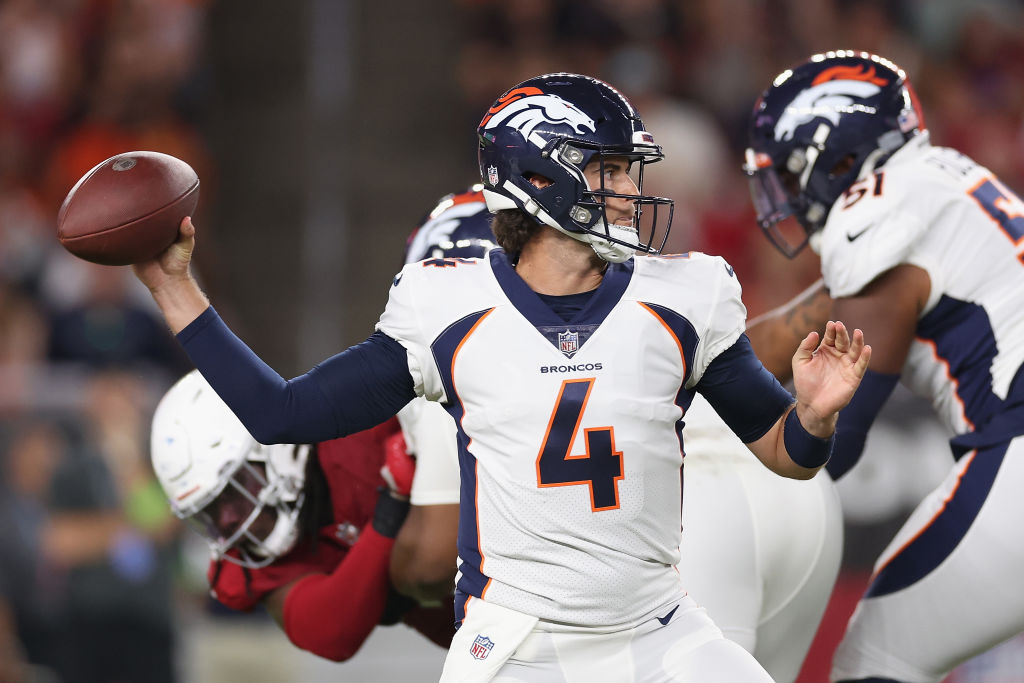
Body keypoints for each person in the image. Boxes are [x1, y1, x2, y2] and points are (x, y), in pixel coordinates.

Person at [130, 73, 870, 682]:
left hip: (659, 626)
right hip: (520, 644)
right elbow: (280, 413)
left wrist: (814, 415)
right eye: (606, 168)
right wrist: (173, 287)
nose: (627, 187)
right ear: (539, 180)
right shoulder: (447, 303)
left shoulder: (685, 292)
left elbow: (787, 455)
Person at [394, 184, 843, 682]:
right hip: (797, 500)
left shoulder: (457, 333)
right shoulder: (656, 300)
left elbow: (431, 560)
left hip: (677, 522)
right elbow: (760, 350)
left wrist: (380, 541)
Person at [742, 50, 1024, 682]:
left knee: (878, 659)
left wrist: (737, 487)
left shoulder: (875, 211)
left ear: (837, 158)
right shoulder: (932, 183)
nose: (785, 195)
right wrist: (683, 361)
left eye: (790, 174)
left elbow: (840, 430)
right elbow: (791, 327)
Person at [149, 369, 455, 662]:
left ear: (268, 447)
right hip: (468, 631)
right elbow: (329, 634)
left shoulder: (350, 421)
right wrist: (390, 509)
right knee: (417, 570)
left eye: (231, 491)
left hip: (489, 539)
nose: (226, 519)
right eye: (208, 512)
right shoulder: (246, 562)